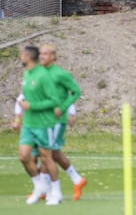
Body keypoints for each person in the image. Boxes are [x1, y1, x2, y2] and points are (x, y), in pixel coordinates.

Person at [39, 44, 86, 201]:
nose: (42, 56)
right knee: (54, 152)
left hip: (57, 119)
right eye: (40, 53)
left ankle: (49, 190)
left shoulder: (60, 74)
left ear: (53, 56)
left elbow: (76, 91)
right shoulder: (39, 73)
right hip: (43, 119)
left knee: (47, 152)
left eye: (45, 54)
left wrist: (65, 108)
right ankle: (77, 180)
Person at [18, 46, 62, 205]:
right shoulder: (26, 74)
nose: (20, 57)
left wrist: (32, 106)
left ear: (29, 56)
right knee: (23, 156)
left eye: (22, 54)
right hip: (28, 123)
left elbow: (54, 100)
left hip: (43, 123)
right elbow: (26, 97)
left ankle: (56, 192)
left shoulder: (43, 75)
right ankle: (39, 187)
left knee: (46, 158)